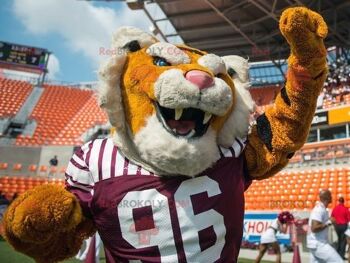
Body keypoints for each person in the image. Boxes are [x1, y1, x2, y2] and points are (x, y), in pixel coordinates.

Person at [307, 189, 343, 263]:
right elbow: (314, 228)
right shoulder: (319, 209)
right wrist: (329, 222)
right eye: (330, 195)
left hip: (316, 244)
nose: (331, 197)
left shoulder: (323, 209)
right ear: (326, 197)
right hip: (319, 244)